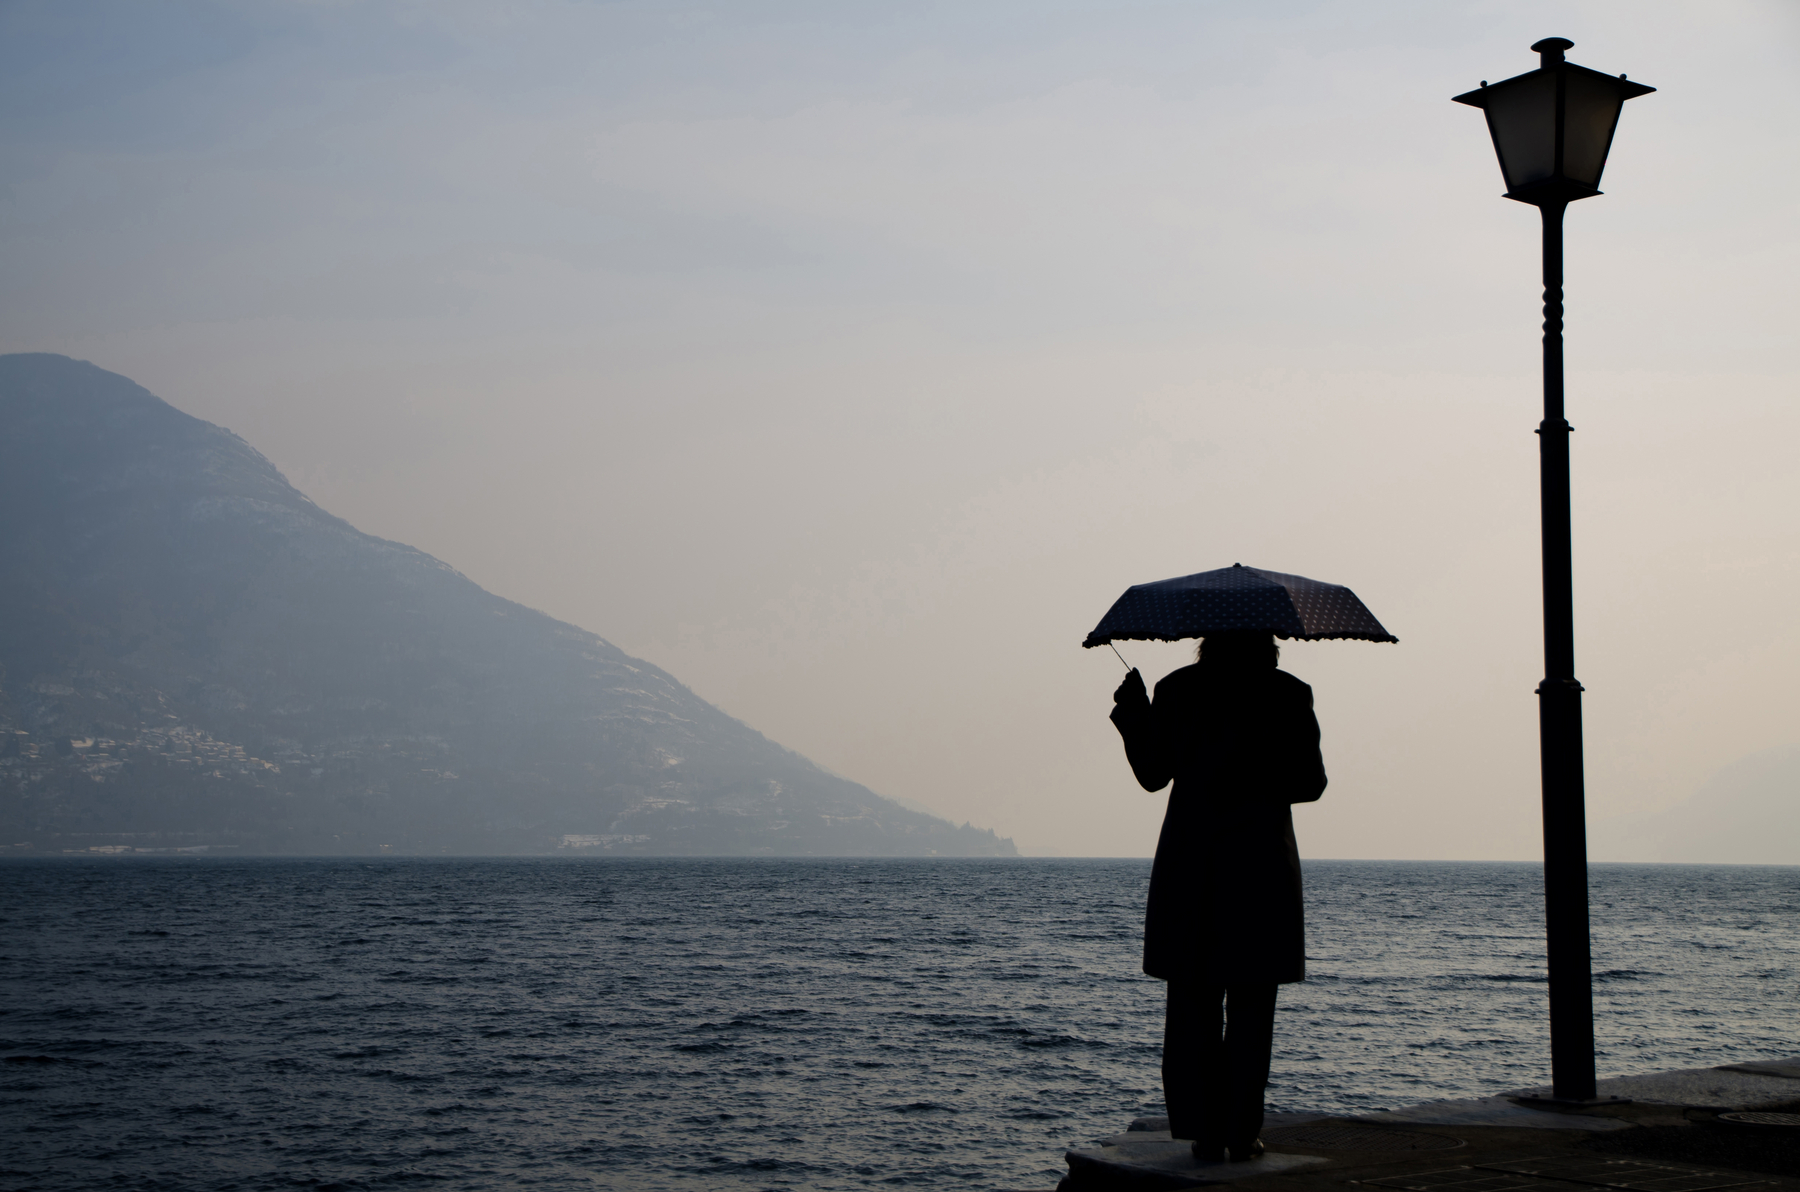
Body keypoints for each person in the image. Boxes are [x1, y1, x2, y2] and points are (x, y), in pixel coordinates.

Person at [1108, 631, 1326, 1163]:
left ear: (1208, 638)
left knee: (1192, 1009)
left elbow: (1153, 773)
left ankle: (1204, 1132)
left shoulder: (1178, 690)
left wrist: (1133, 710)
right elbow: (1311, 782)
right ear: (1267, 641)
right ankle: (1241, 1131)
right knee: (1253, 1010)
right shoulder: (1289, 694)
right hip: (1261, 874)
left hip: (1193, 871)